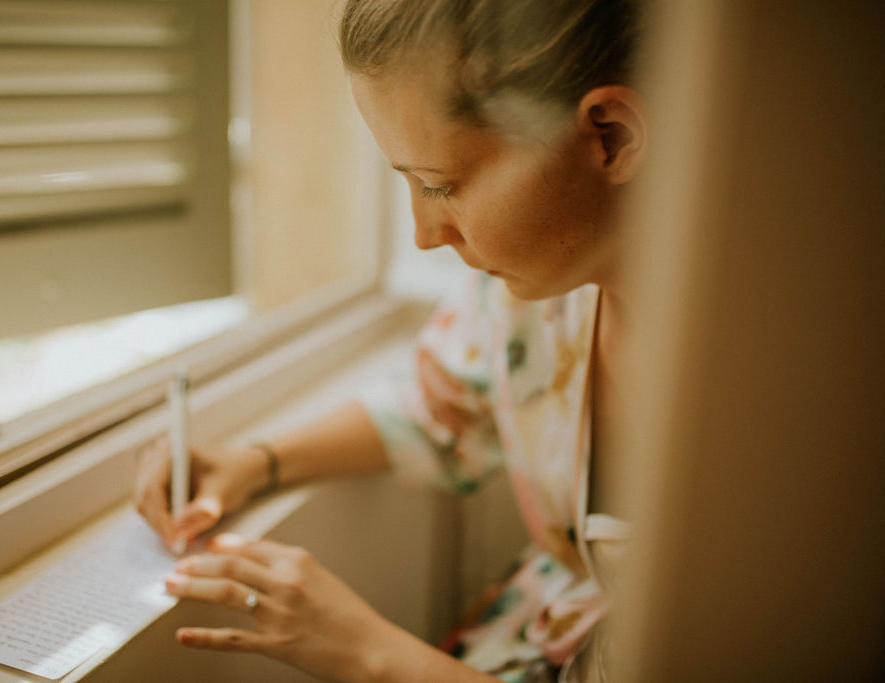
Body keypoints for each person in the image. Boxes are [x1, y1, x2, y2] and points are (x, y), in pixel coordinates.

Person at [134, 1, 645, 680]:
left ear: (609, 138)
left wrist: (366, 650)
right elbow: (437, 407)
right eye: (406, 181)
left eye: (440, 185)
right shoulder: (533, 293)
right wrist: (254, 461)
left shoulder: (781, 418)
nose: (424, 234)